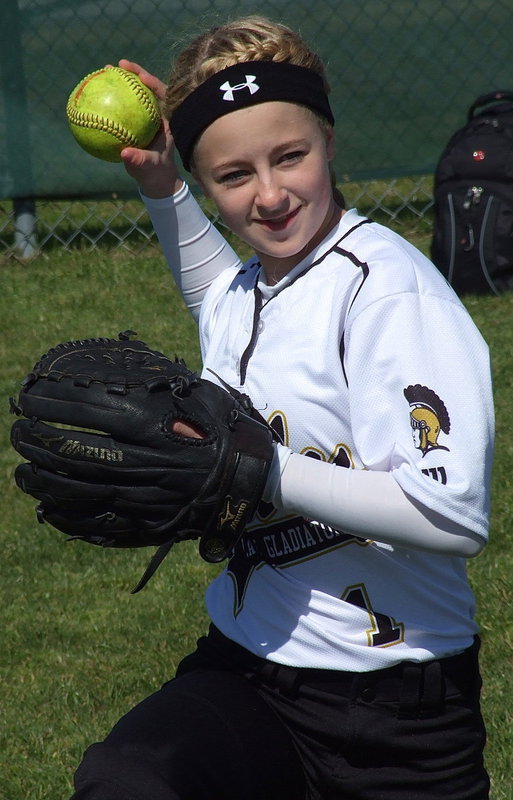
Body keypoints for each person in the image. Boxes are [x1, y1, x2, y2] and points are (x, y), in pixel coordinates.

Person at [71, 15, 494, 800]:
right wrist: (163, 188)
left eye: (288, 157)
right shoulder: (252, 286)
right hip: (247, 666)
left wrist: (257, 470)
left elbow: (452, 514)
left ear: (329, 141)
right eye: (232, 176)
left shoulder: (385, 293)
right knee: (128, 780)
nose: (267, 195)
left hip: (392, 705)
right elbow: (214, 297)